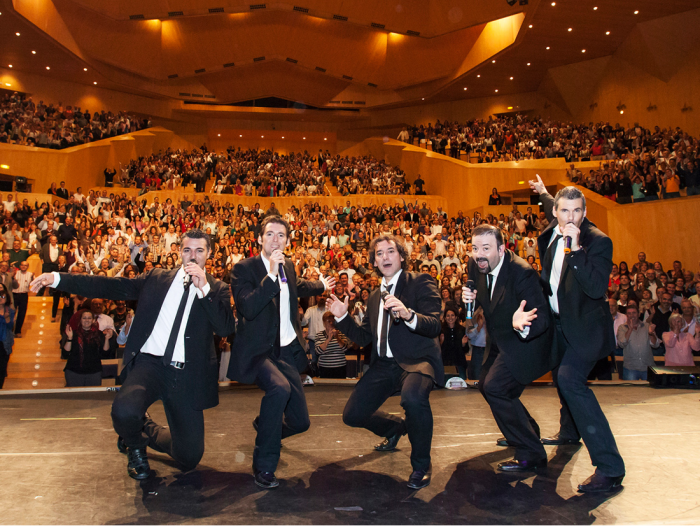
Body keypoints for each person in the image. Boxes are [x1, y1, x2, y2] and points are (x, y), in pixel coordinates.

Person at [30, 229, 236, 481]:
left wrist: (203, 288)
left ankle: (144, 427)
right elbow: (110, 286)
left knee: (189, 456)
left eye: (199, 250)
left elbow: (225, 328)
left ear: (209, 253)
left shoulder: (217, 289)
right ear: (179, 252)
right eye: (187, 250)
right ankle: (136, 447)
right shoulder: (157, 278)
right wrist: (57, 278)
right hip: (151, 366)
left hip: (186, 374)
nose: (193, 256)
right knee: (124, 410)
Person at [529, 175, 625, 493]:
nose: (571, 218)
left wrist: (577, 251)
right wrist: (544, 193)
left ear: (585, 212)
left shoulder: (598, 242)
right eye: (565, 211)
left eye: (577, 211)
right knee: (561, 379)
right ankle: (570, 433)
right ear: (556, 211)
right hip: (558, 323)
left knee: (570, 380)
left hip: (586, 328)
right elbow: (551, 205)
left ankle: (610, 467)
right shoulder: (553, 226)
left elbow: (596, 288)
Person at [327, 234, 442, 490]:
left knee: (413, 399)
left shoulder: (420, 282)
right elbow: (363, 338)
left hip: (416, 361)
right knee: (352, 415)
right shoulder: (374, 297)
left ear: (402, 256)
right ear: (374, 262)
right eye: (379, 254)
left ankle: (421, 465)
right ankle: (394, 428)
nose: (385, 257)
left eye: (390, 251)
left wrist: (409, 315)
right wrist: (343, 318)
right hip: (383, 365)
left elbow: (434, 324)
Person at [227, 215, 334, 489]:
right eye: (270, 234)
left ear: (287, 241)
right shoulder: (243, 269)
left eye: (281, 235)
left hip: (286, 350)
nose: (276, 240)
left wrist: (322, 285)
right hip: (259, 351)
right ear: (259, 238)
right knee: (279, 389)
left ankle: (266, 426)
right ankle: (264, 465)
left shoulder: (289, 266)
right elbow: (248, 308)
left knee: (300, 422)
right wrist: (271, 275)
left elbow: (296, 288)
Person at [461, 224, 555, 472]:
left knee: (496, 388)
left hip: (525, 341)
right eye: (474, 248)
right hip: (499, 339)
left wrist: (522, 324)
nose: (479, 254)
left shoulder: (522, 273)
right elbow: (484, 298)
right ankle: (528, 431)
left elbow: (542, 318)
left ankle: (531, 453)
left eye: (486, 248)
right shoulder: (475, 265)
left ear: (502, 249)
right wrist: (468, 300)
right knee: (486, 385)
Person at [63, 310, 112, 387]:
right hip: (74, 372)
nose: (87, 320)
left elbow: (105, 353)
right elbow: (65, 354)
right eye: (84, 318)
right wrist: (69, 338)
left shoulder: (99, 334)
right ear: (80, 320)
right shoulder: (73, 333)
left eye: (89, 318)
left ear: (93, 320)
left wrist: (106, 339)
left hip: (94, 372)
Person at [616, 304, 658, 380]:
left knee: (650, 388)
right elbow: (622, 344)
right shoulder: (622, 328)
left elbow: (655, 345)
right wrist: (630, 329)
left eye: (634, 313)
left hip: (647, 366)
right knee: (631, 388)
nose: (631, 315)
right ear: (626, 315)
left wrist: (652, 334)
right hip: (630, 368)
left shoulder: (647, 326)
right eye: (629, 313)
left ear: (638, 314)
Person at [314, 311, 349, 378]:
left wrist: (337, 337)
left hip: (340, 367)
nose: (331, 323)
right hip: (325, 367)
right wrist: (328, 339)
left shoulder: (341, 333)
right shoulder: (319, 335)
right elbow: (318, 351)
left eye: (333, 321)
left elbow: (345, 349)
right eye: (329, 321)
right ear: (324, 323)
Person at [440, 307, 468, 380]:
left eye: (452, 315)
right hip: (446, 363)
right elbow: (439, 349)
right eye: (448, 316)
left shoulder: (462, 329)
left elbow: (466, 349)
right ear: (445, 318)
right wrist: (441, 342)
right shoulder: (441, 330)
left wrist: (463, 344)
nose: (450, 318)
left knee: (461, 383)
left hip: (459, 363)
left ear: (456, 317)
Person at [12, 261, 33, 337]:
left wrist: (32, 279)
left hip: (23, 295)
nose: (23, 266)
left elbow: (34, 284)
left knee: (21, 314)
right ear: (20, 266)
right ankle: (10, 330)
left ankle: (18, 331)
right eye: (22, 265)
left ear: (28, 267)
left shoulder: (30, 274)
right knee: (12, 313)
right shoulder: (15, 273)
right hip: (14, 295)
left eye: (25, 265)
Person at [0, 291, 15, 389]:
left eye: (3, 297)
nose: (1, 299)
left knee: (2, 365)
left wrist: (7, 319)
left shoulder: (10, 311)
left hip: (5, 340)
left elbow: (10, 326)